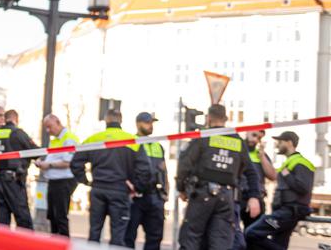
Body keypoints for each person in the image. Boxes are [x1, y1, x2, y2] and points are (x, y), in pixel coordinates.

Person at [177, 104, 261, 250]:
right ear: (226, 119)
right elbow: (252, 172)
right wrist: (254, 196)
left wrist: (181, 188)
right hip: (226, 198)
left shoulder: (203, 136)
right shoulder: (237, 141)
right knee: (221, 242)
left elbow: (185, 164)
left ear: (208, 118)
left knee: (191, 238)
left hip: (202, 194)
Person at [71, 109, 151, 246]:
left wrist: (86, 181)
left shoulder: (93, 139)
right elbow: (145, 169)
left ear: (106, 120)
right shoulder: (132, 140)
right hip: (120, 190)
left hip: (98, 189)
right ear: (121, 120)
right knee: (118, 236)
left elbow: (75, 163)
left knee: (94, 233)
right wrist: (137, 187)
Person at [245, 131, 314, 250]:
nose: (277, 145)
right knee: (278, 242)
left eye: (280, 142)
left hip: (287, 214)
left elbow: (304, 188)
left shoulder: (300, 162)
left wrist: (287, 175)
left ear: (289, 143)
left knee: (252, 232)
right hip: (283, 214)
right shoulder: (288, 163)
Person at [0, 108, 39, 229]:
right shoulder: (17, 132)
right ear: (16, 119)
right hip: (13, 181)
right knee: (22, 217)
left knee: (2, 217)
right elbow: (35, 151)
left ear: (5, 119)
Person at [123, 112, 168, 250]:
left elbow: (164, 171)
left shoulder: (157, 146)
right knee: (128, 236)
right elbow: (124, 167)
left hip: (155, 196)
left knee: (155, 237)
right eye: (147, 123)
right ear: (138, 124)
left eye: (152, 123)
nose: (150, 126)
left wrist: (165, 193)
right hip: (135, 197)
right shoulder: (130, 143)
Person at [35, 114, 79, 236]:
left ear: (58, 122)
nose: (48, 130)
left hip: (64, 181)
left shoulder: (68, 138)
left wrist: (47, 165)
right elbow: (52, 159)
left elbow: (67, 162)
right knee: (52, 216)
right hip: (54, 181)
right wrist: (42, 162)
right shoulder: (55, 140)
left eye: (50, 126)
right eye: (46, 128)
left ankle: (63, 244)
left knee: (60, 217)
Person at [241, 130, 276, 229]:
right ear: (247, 132)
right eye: (254, 135)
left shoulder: (260, 155)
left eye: (259, 138)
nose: (255, 140)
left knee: (253, 235)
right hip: (238, 197)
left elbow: (273, 176)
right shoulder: (237, 149)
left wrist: (262, 156)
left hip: (256, 198)